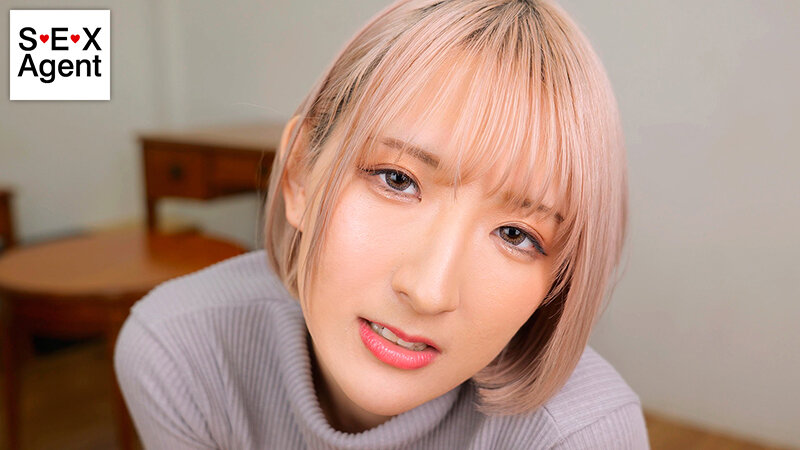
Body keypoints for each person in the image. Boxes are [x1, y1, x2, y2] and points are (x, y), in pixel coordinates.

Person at [114, 0, 649, 448]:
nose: (429, 291)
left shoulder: (582, 437)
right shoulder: (182, 352)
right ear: (300, 174)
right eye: (397, 179)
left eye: (516, 235)